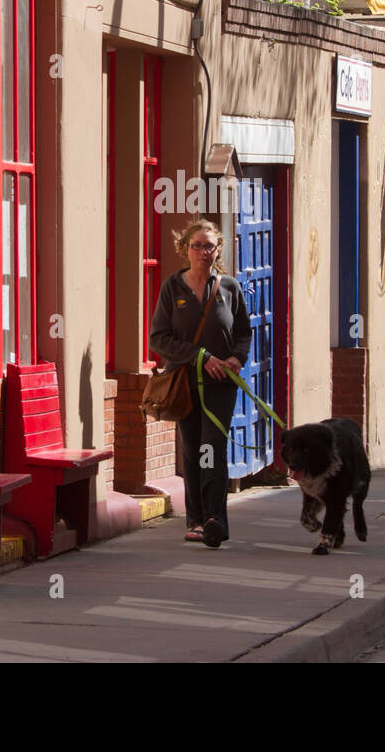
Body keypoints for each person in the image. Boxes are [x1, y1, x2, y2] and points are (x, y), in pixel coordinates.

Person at [149, 219, 252, 549]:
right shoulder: (172, 288)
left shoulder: (229, 288)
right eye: (196, 246)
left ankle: (215, 519)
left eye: (209, 246)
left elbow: (243, 333)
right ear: (185, 249)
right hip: (185, 383)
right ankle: (194, 520)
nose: (203, 252)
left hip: (221, 384)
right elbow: (158, 339)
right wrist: (200, 356)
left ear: (218, 250)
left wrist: (236, 358)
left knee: (212, 447)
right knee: (193, 450)